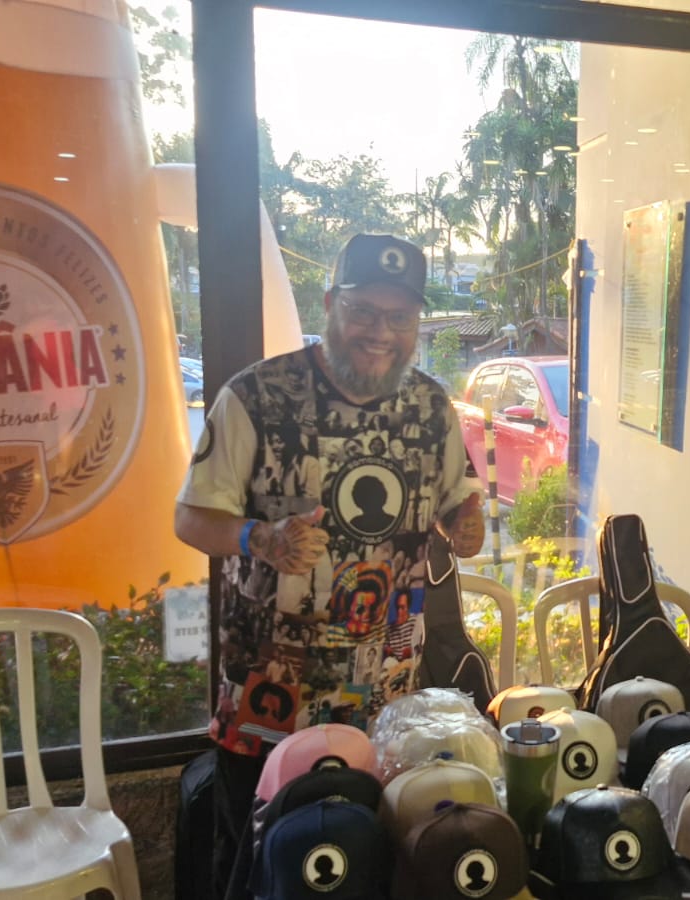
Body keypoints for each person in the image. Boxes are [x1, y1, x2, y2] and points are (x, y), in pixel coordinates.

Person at [173, 233, 485, 897]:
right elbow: (191, 518)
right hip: (268, 696)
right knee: (255, 865)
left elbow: (458, 506)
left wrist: (464, 526)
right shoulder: (255, 396)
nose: (381, 333)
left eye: (399, 317)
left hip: (385, 696)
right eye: (362, 311)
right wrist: (259, 537)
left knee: (366, 864)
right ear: (328, 304)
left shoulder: (432, 408)